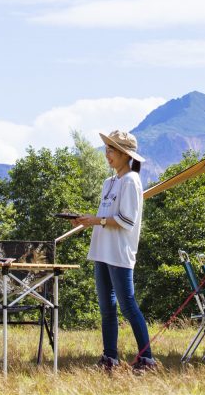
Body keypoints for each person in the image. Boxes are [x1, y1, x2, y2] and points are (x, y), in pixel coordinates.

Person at [68, 129, 158, 373]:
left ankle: (146, 359)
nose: (107, 154)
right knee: (106, 308)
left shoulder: (131, 181)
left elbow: (126, 220)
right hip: (102, 250)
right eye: (106, 149)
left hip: (119, 251)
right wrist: (88, 220)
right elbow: (106, 216)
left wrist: (95, 220)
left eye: (111, 150)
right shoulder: (109, 182)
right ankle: (110, 358)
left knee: (128, 305)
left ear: (124, 154)